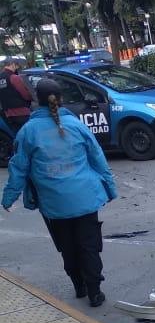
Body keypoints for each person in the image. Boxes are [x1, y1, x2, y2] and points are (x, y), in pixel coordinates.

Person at [1, 78, 117, 306]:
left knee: (67, 246)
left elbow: (19, 168)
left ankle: (79, 286)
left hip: (53, 203)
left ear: (37, 100)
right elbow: (98, 159)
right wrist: (110, 188)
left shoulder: (28, 132)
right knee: (89, 245)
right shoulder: (77, 126)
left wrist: (8, 197)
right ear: (61, 99)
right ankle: (95, 291)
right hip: (85, 197)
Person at [0, 58, 33, 134]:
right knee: (29, 134)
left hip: (8, 114)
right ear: (12, 64)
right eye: (17, 65)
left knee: (19, 135)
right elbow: (26, 95)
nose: (17, 68)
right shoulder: (14, 77)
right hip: (22, 112)